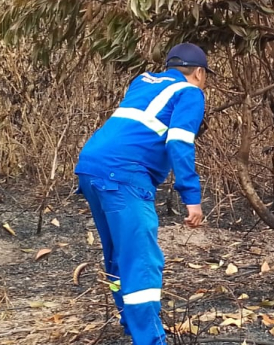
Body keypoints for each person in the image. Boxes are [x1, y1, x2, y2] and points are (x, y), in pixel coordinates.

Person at [74, 43, 211, 345]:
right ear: (199, 73)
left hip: (91, 165)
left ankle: (130, 320)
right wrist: (192, 197)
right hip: (123, 174)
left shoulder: (144, 81)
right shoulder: (190, 93)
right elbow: (179, 141)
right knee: (142, 260)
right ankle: (149, 339)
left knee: (118, 255)